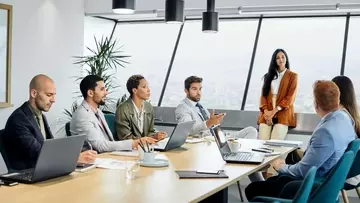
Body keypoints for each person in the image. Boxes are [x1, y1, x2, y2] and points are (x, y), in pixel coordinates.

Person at [245, 80, 356, 201]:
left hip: (311, 184)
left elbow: (304, 171)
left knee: (253, 189)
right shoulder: (345, 119)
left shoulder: (325, 132)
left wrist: (282, 167)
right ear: (338, 100)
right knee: (273, 180)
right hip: (325, 180)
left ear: (316, 104)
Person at [2, 74, 97, 170]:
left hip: (46, 170)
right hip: (29, 174)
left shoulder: (40, 115)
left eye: (54, 95)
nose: (53, 100)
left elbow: (51, 147)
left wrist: (75, 153)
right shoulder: (18, 120)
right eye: (49, 95)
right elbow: (38, 153)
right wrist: (75, 158)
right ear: (34, 93)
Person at [71, 75, 156, 153]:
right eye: (102, 89)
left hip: (108, 157)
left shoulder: (98, 112)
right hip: (94, 161)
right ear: (90, 93)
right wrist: (134, 143)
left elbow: (110, 141)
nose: (106, 92)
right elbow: (100, 146)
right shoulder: (82, 115)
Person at [175, 76, 258, 139]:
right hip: (207, 140)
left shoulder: (200, 105)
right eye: (194, 89)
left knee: (251, 130)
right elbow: (188, 130)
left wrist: (216, 121)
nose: (198, 92)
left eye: (200, 89)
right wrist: (209, 122)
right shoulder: (182, 108)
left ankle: (241, 154)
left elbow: (210, 124)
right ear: (186, 91)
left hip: (217, 135)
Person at [258, 49, 298, 141]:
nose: (281, 59)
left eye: (283, 57)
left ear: (286, 59)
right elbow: (263, 96)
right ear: (274, 61)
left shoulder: (293, 76)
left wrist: (274, 111)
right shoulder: (268, 76)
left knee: (275, 144)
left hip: (283, 112)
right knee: (262, 143)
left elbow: (290, 97)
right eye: (278, 58)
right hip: (267, 112)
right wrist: (266, 112)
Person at [116, 75, 167, 141]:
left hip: (145, 148)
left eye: (148, 86)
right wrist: (152, 138)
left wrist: (157, 135)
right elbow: (126, 138)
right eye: (144, 87)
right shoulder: (123, 109)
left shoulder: (148, 107)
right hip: (130, 149)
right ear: (134, 90)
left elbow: (150, 132)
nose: (148, 90)